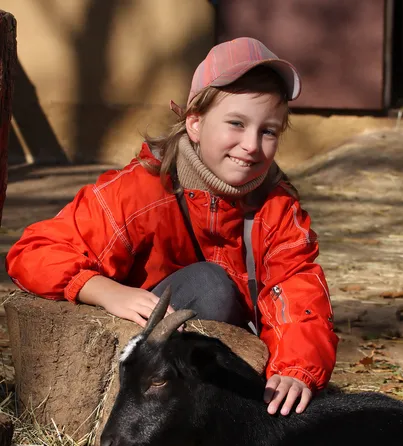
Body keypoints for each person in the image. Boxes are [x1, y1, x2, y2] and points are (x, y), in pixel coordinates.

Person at [6, 37, 338, 416]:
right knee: (211, 286)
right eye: (236, 123)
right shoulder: (139, 189)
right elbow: (33, 251)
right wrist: (104, 290)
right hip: (144, 338)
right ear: (194, 123)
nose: (251, 145)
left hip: (224, 342)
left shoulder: (277, 207)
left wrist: (296, 369)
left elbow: (299, 289)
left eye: (269, 131)